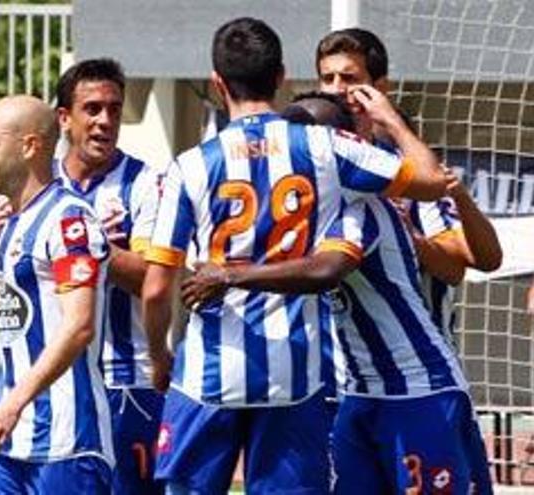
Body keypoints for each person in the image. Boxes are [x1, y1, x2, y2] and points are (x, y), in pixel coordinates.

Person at [141, 17, 449, 494]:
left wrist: (160, 358)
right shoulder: (326, 145)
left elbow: (158, 287)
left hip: (207, 371)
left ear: (216, 82)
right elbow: (433, 180)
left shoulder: (191, 165)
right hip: (294, 372)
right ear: (282, 75)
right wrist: (390, 120)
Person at [181, 93, 484, 493]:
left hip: (417, 389)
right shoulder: (310, 211)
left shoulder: (358, 206)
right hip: (355, 396)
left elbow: (327, 269)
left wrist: (229, 277)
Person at [316, 28, 501, 493]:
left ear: (381, 89)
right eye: (328, 79)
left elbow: (462, 263)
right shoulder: (319, 172)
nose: (338, 90)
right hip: (346, 390)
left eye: (350, 78)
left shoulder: (409, 173)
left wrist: (405, 237)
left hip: (420, 382)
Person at [0, 95, 114, 494]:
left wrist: (13, 404)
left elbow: (79, 325)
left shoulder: (69, 219)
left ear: (30, 146)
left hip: (66, 440)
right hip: (6, 439)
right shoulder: (12, 224)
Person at [53, 58, 164, 494]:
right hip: (54, 380)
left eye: (114, 110)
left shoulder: (145, 183)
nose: (105, 121)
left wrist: (91, 244)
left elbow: (151, 279)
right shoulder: (39, 185)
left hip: (125, 380)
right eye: (92, 109)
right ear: (64, 118)